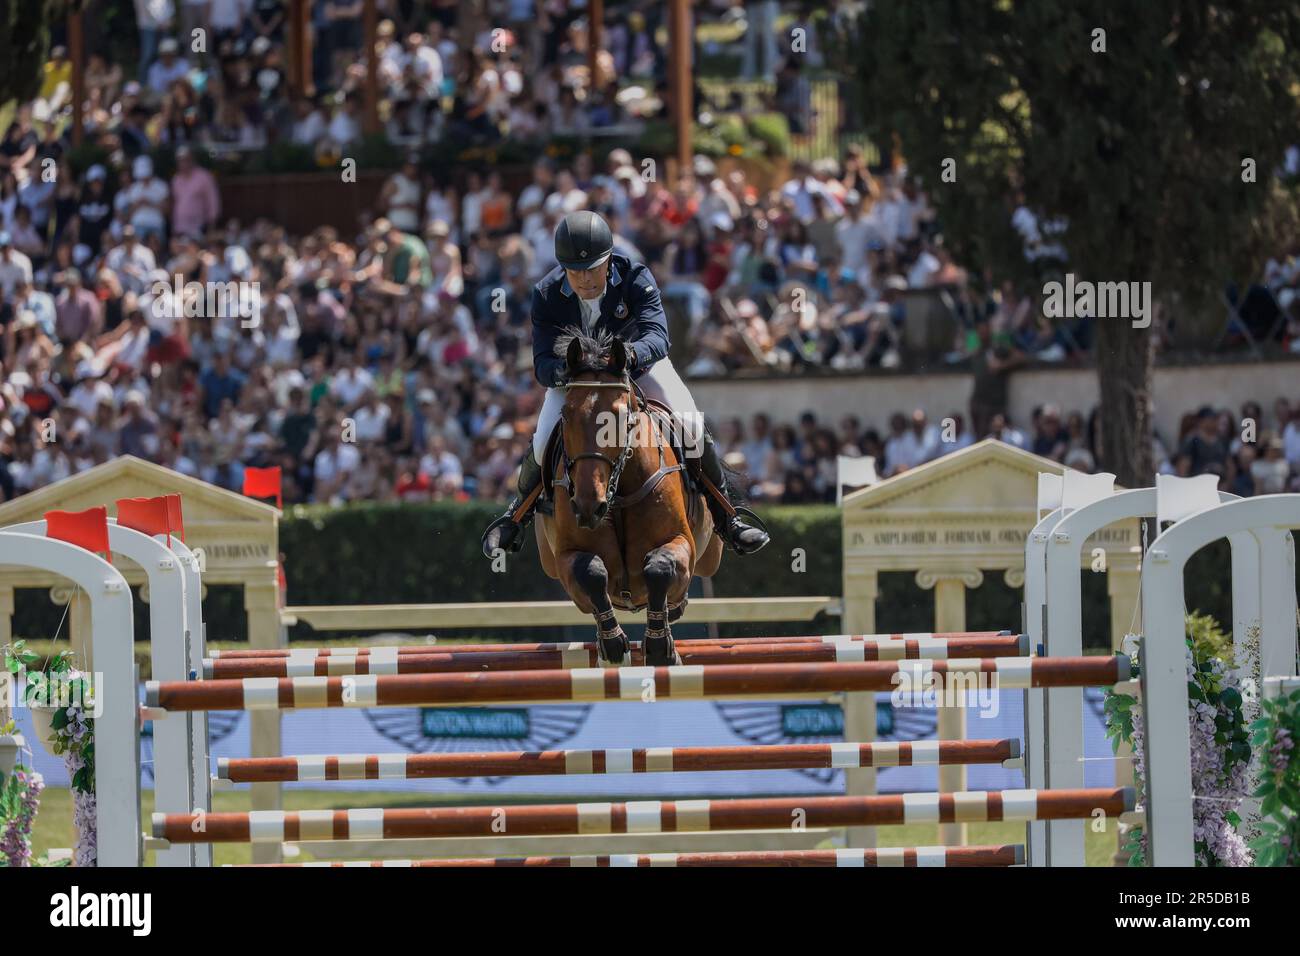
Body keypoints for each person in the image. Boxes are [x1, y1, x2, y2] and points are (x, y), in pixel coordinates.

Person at [481, 210, 770, 558]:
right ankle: (515, 518)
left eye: (593, 269)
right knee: (542, 441)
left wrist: (628, 356)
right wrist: (574, 372)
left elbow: (659, 337)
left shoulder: (636, 277)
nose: (585, 279)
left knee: (691, 425)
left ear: (609, 261)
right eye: (575, 272)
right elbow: (542, 363)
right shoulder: (546, 294)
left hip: (639, 369)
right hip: (578, 383)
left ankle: (729, 519)